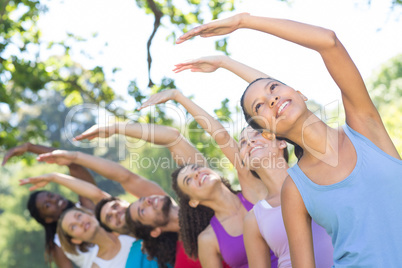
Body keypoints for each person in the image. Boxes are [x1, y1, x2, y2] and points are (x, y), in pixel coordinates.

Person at [177, 13, 402, 266]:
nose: (271, 99)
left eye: (274, 88)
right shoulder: (295, 189)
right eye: (259, 106)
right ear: (268, 133)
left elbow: (328, 41)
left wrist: (244, 22)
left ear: (300, 93)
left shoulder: (364, 125)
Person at [38, 122, 209, 267]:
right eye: (111, 219)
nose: (116, 213)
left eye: (141, 201)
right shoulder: (148, 247)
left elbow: (124, 178)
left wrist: (74, 158)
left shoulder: (200, 204)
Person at [140, 90, 277, 268]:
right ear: (193, 201)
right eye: (188, 181)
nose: (196, 174)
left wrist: (178, 97)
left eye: (196, 168)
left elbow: (222, 137)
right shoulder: (208, 239)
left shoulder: (252, 191)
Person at [20, 172, 159, 268]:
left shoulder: (122, 228)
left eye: (79, 216)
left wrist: (55, 177)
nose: (80, 222)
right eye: (73, 227)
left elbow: (97, 192)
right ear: (75, 239)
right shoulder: (61, 247)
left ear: (90, 213)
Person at [2, 143, 98, 268]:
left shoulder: (87, 205)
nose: (54, 200)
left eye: (51, 195)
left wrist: (29, 147)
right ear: (47, 219)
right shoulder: (59, 245)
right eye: (47, 205)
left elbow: (71, 163)